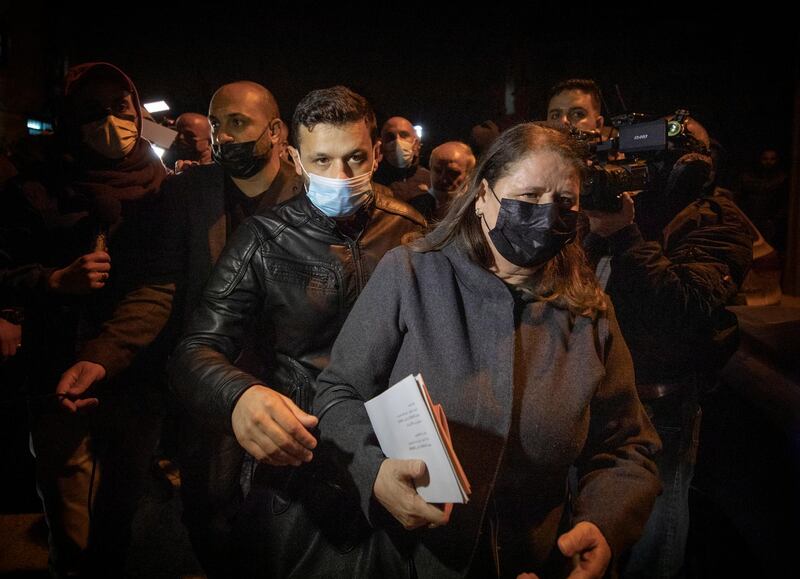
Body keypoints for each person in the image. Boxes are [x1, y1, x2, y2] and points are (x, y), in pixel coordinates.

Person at [314, 123, 662, 578]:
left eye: (562, 203)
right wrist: (373, 471)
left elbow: (627, 447)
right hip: (411, 560)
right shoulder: (412, 273)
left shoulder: (588, 310)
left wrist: (603, 524)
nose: (544, 215)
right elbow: (338, 393)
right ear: (482, 197)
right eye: (529, 195)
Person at [168, 85, 425, 576]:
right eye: (322, 160)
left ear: (375, 152)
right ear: (295, 157)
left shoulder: (411, 230)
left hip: (394, 448)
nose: (341, 176)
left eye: (354, 158)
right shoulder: (263, 239)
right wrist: (239, 397)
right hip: (303, 459)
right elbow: (196, 349)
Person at [582, 115, 752, 578]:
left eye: (656, 158)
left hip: (662, 401)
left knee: (656, 522)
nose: (639, 169)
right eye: (632, 157)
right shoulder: (620, 207)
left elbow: (687, 309)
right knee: (594, 516)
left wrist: (624, 235)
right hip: (597, 390)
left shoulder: (719, 219)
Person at [154, 80, 301, 578]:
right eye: (218, 125)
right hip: (211, 388)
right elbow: (160, 288)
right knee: (208, 512)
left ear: (276, 131)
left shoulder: (310, 201)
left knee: (281, 517)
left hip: (287, 389)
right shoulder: (188, 192)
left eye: (239, 123)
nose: (224, 137)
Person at [28, 61, 171, 577]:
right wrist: (50, 280)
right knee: (70, 521)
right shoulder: (36, 188)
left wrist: (105, 355)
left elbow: (160, 284)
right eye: (93, 111)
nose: (111, 120)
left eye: (121, 107)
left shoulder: (161, 190)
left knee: (120, 511)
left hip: (134, 377)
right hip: (57, 378)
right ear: (69, 117)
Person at [409, 141, 475, 221]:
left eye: (452, 173)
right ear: (430, 168)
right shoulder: (414, 206)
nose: (443, 179)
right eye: (438, 170)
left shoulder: (477, 209)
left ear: (469, 174)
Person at [373, 116, 430, 202]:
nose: (397, 142)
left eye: (404, 135)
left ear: (416, 143)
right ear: (381, 144)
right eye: (390, 137)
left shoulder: (429, 178)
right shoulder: (372, 179)